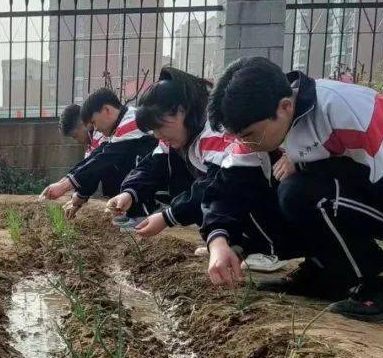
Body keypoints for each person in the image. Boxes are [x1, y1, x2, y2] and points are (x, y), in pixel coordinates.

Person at [207, 56, 383, 322]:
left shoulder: (342, 109)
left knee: (301, 194)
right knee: (274, 189)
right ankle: (325, 272)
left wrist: (310, 165)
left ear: (284, 107)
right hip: (381, 185)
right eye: (237, 137)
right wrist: (219, 242)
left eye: (249, 135)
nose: (245, 143)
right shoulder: (267, 126)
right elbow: (228, 188)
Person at [105, 67, 289, 273]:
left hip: (271, 192)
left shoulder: (214, 132)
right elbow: (151, 166)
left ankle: (269, 249)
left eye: (160, 126)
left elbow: (215, 186)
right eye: (153, 130)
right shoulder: (181, 135)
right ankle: (233, 245)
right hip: (238, 191)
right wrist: (129, 193)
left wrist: (168, 217)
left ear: (181, 111)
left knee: (226, 192)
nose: (158, 135)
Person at [40, 88, 165, 226]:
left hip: (166, 176)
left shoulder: (130, 123)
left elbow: (103, 160)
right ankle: (135, 210)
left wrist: (65, 187)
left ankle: (145, 210)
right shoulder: (120, 126)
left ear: (106, 110)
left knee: (118, 161)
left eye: (93, 123)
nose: (95, 128)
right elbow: (95, 158)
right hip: (160, 171)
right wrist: (65, 184)